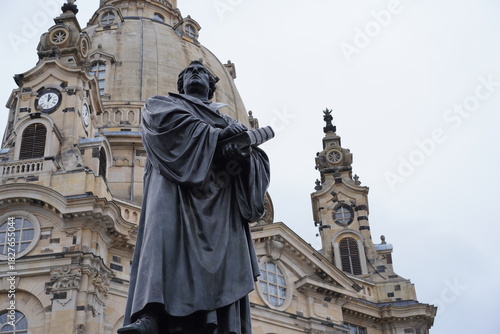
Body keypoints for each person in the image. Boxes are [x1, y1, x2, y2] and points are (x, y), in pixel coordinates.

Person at [118, 60, 270, 334]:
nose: (196, 73)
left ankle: (221, 325)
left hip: (220, 206)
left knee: (220, 263)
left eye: (202, 71)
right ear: (182, 83)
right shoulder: (161, 105)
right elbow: (164, 128)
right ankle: (152, 314)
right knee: (162, 240)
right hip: (173, 191)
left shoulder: (231, 121)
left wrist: (243, 155)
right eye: (190, 71)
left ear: (212, 87)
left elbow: (257, 162)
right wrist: (216, 136)